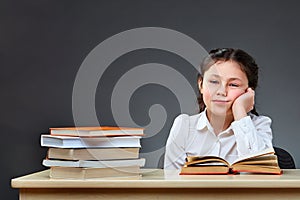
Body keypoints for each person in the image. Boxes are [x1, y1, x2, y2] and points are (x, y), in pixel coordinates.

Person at [164, 48, 273, 170]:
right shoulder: (184, 126)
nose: (221, 92)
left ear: (249, 91)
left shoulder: (260, 125)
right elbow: (171, 183)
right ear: (201, 85)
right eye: (214, 82)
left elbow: (261, 175)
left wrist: (240, 111)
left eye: (233, 85)